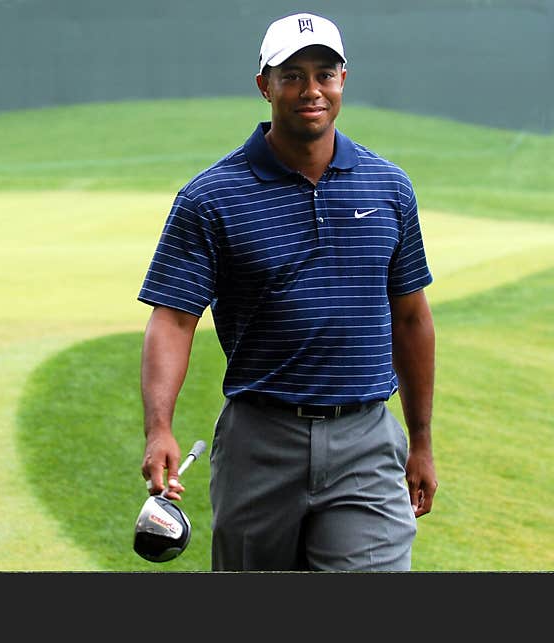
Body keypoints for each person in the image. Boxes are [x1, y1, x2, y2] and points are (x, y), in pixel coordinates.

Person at [137, 12, 438, 571]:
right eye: (292, 75)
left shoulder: (389, 186)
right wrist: (159, 429)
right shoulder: (211, 196)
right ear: (264, 85)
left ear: (343, 80)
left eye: (324, 74)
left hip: (367, 440)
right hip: (260, 440)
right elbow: (173, 320)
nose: (311, 90)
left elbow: (412, 318)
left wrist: (420, 440)